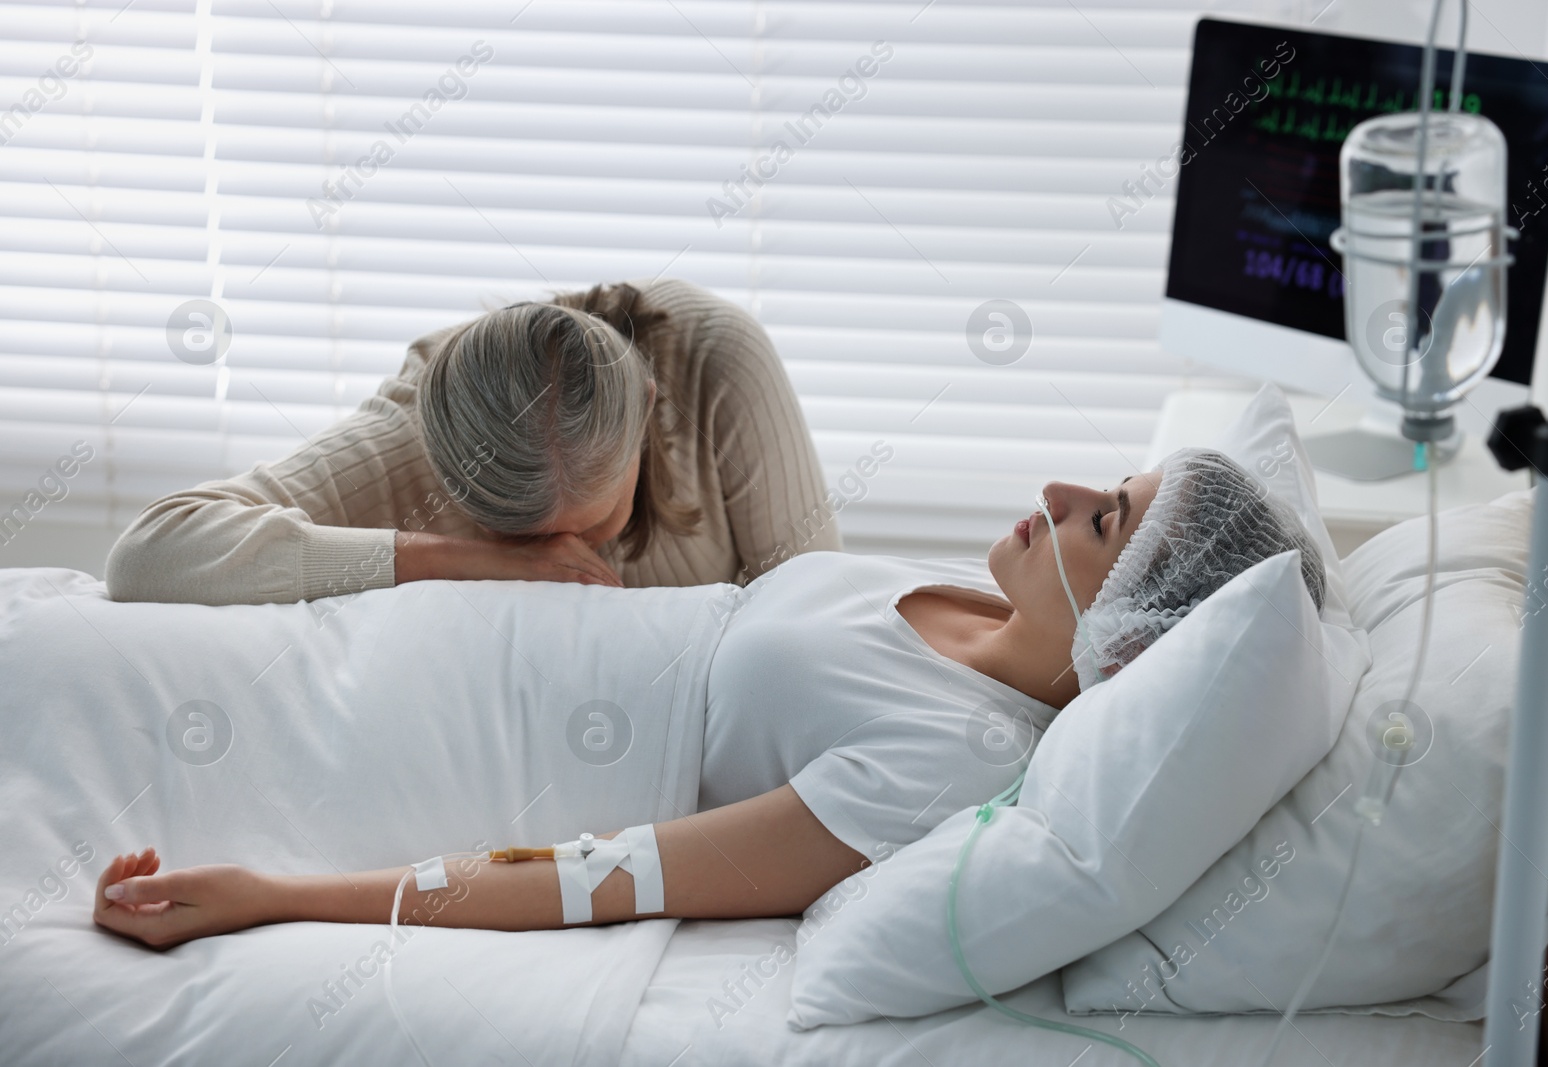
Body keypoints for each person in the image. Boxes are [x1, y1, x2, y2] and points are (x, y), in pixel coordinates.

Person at [92, 448, 1326, 948]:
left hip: (432, 737)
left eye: (1102, 517)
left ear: (1134, 634)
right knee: (94, 636)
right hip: (417, 636)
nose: (1058, 488)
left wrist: (277, 900)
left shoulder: (952, 763)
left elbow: (593, 872)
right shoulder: (979, 605)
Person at [104, 278, 839, 606]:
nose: (564, 558)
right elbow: (152, 553)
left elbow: (824, 613)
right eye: (521, 535)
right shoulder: (412, 439)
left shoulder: (715, 364)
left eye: (591, 525)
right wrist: (465, 559)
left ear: (647, 408)